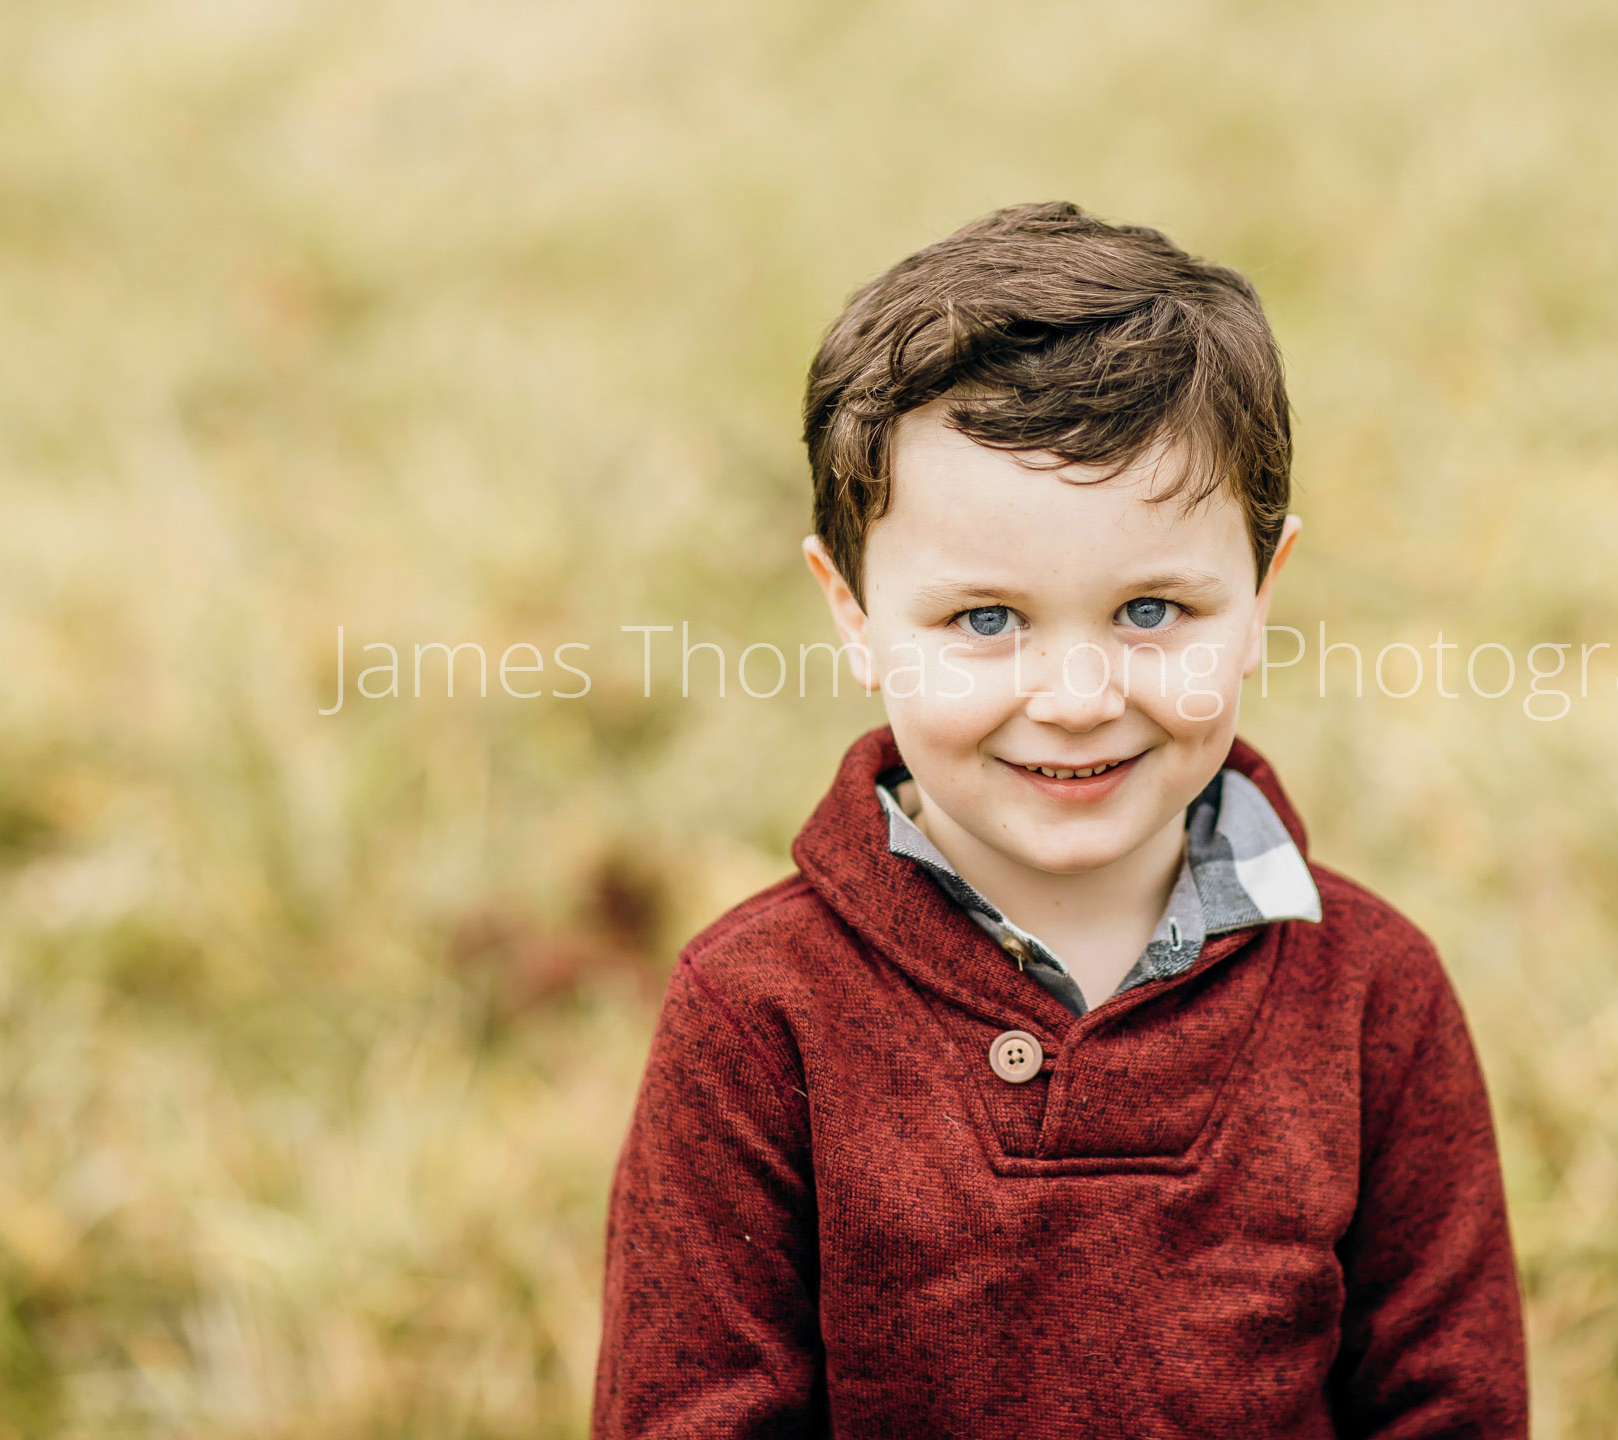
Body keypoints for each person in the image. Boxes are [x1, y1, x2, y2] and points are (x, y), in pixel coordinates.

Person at [591, 201, 1527, 1438]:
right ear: (854, 614)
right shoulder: (758, 1017)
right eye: (986, 620)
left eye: (1152, 611)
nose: (1079, 702)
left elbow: (1447, 1407)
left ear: (1260, 596)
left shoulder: (1371, 994)